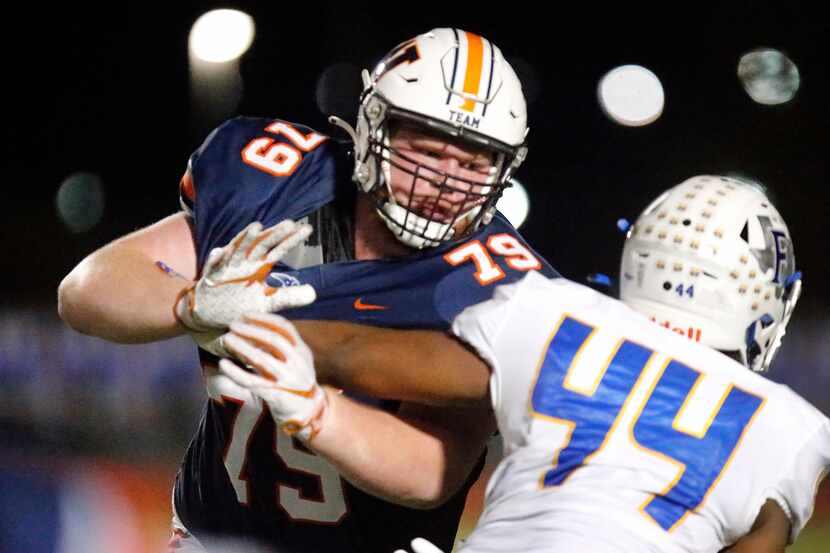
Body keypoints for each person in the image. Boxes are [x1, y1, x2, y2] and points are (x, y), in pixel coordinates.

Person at [57, 28, 558, 553]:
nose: (446, 181)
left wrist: (317, 412)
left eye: (474, 162)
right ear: (371, 125)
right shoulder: (275, 184)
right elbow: (85, 291)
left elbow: (434, 470)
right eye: (428, 151)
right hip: (213, 539)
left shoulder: (501, 288)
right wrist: (191, 305)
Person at [216, 176, 828, 553]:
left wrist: (238, 318)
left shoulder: (554, 312)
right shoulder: (794, 429)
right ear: (766, 295)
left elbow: (362, 355)